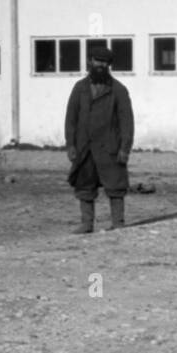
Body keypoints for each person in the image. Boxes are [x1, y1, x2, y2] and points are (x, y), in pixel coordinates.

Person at [64, 45, 134, 233]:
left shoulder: (119, 90)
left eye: (104, 62)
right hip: (84, 148)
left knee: (115, 186)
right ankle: (87, 224)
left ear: (109, 65)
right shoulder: (79, 88)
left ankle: (118, 223)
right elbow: (71, 119)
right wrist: (71, 144)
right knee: (84, 186)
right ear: (90, 62)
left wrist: (124, 148)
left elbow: (127, 122)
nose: (100, 65)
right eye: (97, 61)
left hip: (110, 148)